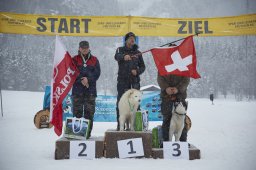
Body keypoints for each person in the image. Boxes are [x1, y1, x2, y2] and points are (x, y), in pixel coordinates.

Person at [114, 32, 145, 130]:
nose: (132, 40)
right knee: (121, 102)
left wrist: (137, 71)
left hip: (135, 81)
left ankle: (135, 125)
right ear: (126, 40)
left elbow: (143, 66)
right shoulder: (120, 50)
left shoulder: (138, 52)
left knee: (136, 103)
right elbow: (116, 56)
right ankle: (120, 125)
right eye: (130, 38)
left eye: (134, 38)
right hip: (123, 81)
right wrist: (123, 57)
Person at [72, 41, 101, 138]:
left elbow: (97, 73)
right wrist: (81, 79)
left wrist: (88, 79)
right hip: (77, 91)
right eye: (82, 47)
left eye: (86, 47)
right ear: (79, 48)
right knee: (77, 113)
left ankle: (87, 134)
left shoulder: (94, 60)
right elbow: (71, 72)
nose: (84, 49)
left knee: (89, 114)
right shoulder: (74, 59)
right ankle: (77, 134)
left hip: (90, 91)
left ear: (89, 48)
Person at [157, 73, 190, 142]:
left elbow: (186, 80)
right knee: (166, 120)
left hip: (180, 97)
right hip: (166, 97)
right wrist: (166, 88)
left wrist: (178, 89)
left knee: (182, 122)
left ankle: (182, 142)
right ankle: (165, 142)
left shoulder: (184, 63)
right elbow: (160, 79)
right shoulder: (163, 63)